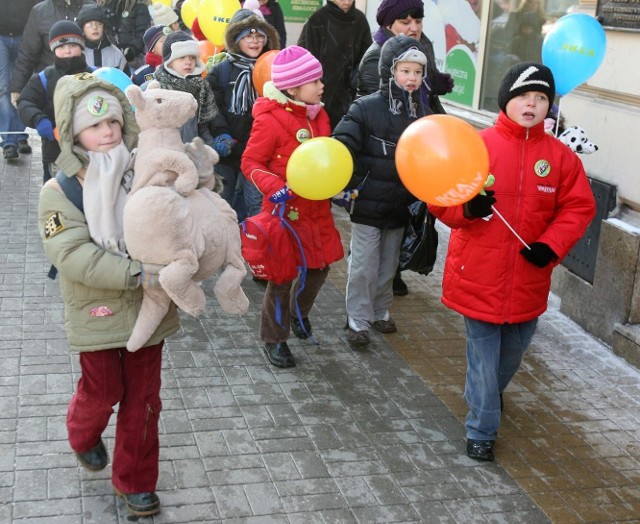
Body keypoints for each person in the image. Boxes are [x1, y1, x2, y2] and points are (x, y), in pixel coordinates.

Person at [428, 62, 596, 462]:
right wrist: (468, 208)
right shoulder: (478, 146)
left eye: (540, 98)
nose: (531, 104)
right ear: (506, 101)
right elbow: (441, 200)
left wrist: (550, 246)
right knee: (484, 358)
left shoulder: (560, 158)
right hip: (478, 274)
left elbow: (578, 207)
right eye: (524, 96)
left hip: (528, 277)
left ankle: (484, 395)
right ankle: (481, 428)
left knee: (511, 354)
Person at [38, 72, 180, 517]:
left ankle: (134, 481)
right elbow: (74, 257)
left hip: (149, 305)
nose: (107, 132)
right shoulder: (58, 191)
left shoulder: (143, 172)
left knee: (144, 399)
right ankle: (82, 433)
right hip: (97, 307)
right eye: (94, 126)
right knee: (103, 391)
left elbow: (170, 216)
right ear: (72, 134)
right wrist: (140, 274)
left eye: (114, 123)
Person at [240, 45, 344, 368]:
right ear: (294, 88)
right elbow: (251, 161)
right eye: (315, 81)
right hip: (285, 212)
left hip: (317, 210)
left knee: (320, 268)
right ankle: (275, 338)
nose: (321, 86)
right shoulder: (270, 120)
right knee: (282, 278)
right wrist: (275, 187)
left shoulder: (320, 115)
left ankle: (300, 314)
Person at [333, 35, 431, 347]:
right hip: (367, 203)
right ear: (390, 70)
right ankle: (357, 320)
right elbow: (343, 142)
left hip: (401, 205)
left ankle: (379, 310)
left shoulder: (424, 114)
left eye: (417, 72)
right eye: (405, 71)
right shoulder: (365, 107)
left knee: (390, 265)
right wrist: (336, 160)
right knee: (363, 265)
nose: (412, 78)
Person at [356, 0, 454, 297]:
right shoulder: (378, 57)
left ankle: (392, 273)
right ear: (389, 24)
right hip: (387, 157)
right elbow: (384, 112)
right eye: (404, 21)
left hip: (416, 152)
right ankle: (372, 287)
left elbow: (429, 99)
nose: (413, 27)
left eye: (417, 20)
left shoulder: (421, 48)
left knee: (405, 220)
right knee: (378, 231)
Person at [206, 9, 280, 219]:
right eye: (248, 35)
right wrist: (220, 132)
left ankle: (253, 244)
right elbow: (212, 105)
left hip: (259, 151)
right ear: (235, 39)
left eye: (259, 36)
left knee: (256, 204)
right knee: (223, 201)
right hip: (228, 148)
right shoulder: (221, 70)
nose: (255, 41)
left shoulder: (273, 69)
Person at [17, 20, 93, 183]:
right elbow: (24, 102)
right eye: (61, 46)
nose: (67, 50)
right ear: (53, 50)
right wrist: (39, 119)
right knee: (58, 198)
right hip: (55, 152)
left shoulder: (95, 75)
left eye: (72, 45)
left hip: (93, 151)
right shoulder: (43, 78)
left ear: (81, 46)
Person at [297, 0, 371, 130]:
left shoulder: (360, 20)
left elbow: (367, 60)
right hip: (323, 96)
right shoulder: (317, 21)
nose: (347, 1)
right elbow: (303, 64)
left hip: (354, 97)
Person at [9, 0, 90, 105]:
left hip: (84, 84)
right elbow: (28, 53)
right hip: (50, 86)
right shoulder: (40, 12)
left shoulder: (90, 7)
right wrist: (17, 88)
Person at [153, 31, 218, 147]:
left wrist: (210, 149)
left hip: (193, 152)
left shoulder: (200, 87)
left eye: (192, 57)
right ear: (170, 62)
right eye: (182, 57)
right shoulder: (156, 88)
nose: (188, 62)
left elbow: (202, 127)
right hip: (167, 153)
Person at [0, 0, 39, 161]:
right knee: (3, 87)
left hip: (24, 35)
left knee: (21, 87)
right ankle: (9, 139)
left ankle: (20, 134)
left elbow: (39, 7)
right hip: (1, 37)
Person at [76, 4, 131, 74]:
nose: (95, 27)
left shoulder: (116, 54)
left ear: (104, 27)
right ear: (82, 29)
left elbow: (125, 80)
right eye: (89, 24)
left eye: (99, 23)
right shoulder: (78, 53)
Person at [97, 0, 151, 68]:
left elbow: (143, 32)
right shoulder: (103, 5)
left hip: (132, 59)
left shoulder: (139, 5)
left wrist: (132, 51)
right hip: (108, 58)